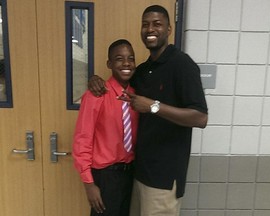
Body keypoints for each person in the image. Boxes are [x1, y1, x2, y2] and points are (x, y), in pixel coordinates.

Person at [88, 5, 208, 216]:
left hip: (164, 179)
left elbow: (200, 118)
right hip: (138, 174)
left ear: (169, 29)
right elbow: (119, 80)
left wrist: (153, 106)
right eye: (145, 24)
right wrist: (95, 79)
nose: (150, 29)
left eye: (157, 24)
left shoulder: (182, 65)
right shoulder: (143, 70)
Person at [72, 39, 138, 216]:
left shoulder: (137, 96)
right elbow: (82, 140)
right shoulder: (96, 95)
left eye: (130, 58)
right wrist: (89, 184)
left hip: (131, 174)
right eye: (119, 58)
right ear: (109, 64)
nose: (126, 63)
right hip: (106, 177)